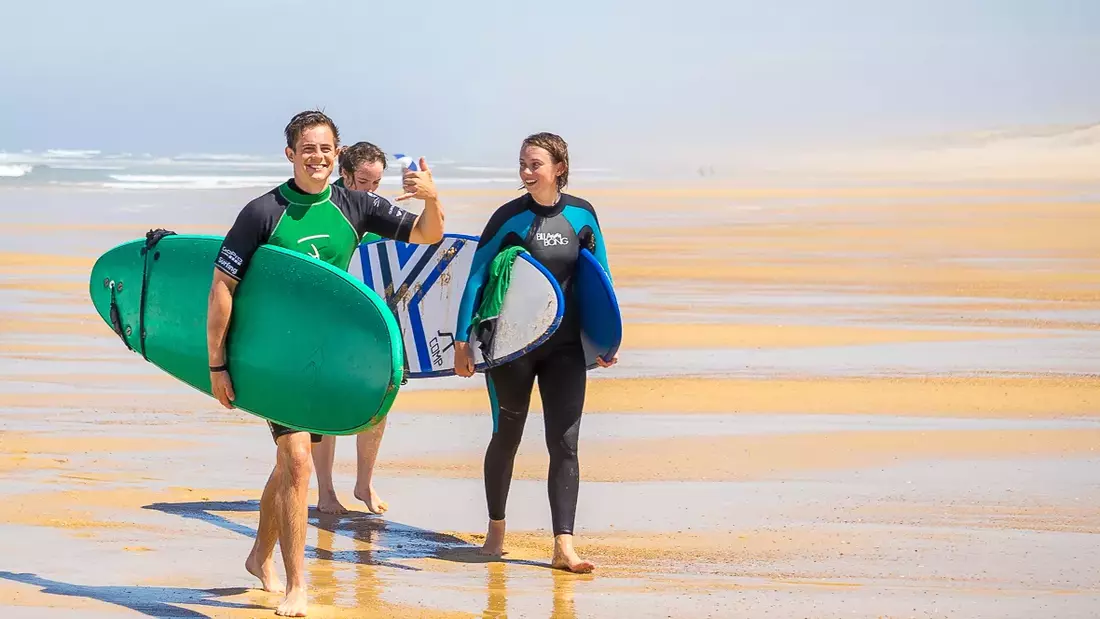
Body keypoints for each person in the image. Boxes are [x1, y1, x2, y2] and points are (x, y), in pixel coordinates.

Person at [206, 110, 443, 617]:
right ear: (290, 154)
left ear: (337, 154)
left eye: (326, 148)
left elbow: (427, 236)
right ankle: (297, 585)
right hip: (273, 360)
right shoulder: (261, 213)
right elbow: (223, 286)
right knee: (295, 463)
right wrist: (217, 363)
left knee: (286, 469)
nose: (318, 156)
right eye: (307, 148)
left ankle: (257, 555)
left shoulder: (355, 205)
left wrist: (432, 198)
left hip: (325, 359)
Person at [452, 132, 617, 574]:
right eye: (523, 164)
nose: (527, 172)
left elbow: (599, 278)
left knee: (565, 443)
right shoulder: (509, 218)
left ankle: (564, 545)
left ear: (559, 167)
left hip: (564, 348)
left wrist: (607, 340)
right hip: (511, 348)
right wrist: (462, 340)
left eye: (535, 164)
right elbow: (475, 277)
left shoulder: (583, 215)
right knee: (507, 436)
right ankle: (496, 530)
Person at [311, 140, 391, 516]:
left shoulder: (379, 213)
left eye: (376, 184)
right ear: (344, 175)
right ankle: (326, 492)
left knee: (379, 403)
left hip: (369, 326)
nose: (371, 192)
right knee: (324, 410)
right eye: (363, 182)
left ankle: (363, 483)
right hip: (327, 325)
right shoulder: (325, 209)